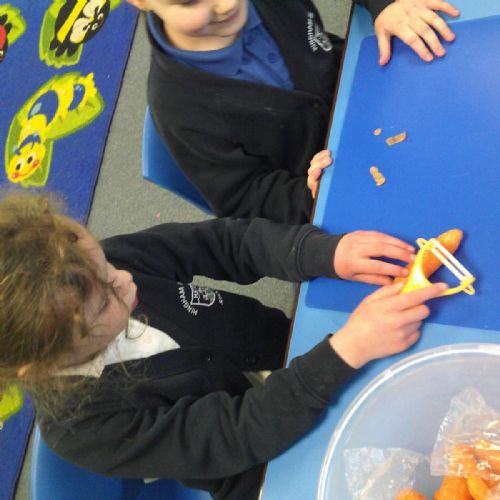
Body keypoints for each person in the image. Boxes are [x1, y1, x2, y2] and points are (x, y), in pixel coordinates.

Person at [0, 193, 447, 498]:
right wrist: (345, 350)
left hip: (296, 354)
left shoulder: (98, 274)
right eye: (105, 302)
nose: (125, 278)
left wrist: (317, 253)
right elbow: (237, 434)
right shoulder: (81, 429)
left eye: (106, 264)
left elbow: (224, 243)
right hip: (267, 468)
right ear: (41, 361)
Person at [128, 0, 459, 223]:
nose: (226, 4)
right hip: (339, 185)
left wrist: (385, 5)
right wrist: (311, 194)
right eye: (189, 1)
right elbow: (245, 198)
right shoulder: (177, 109)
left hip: (376, 90)